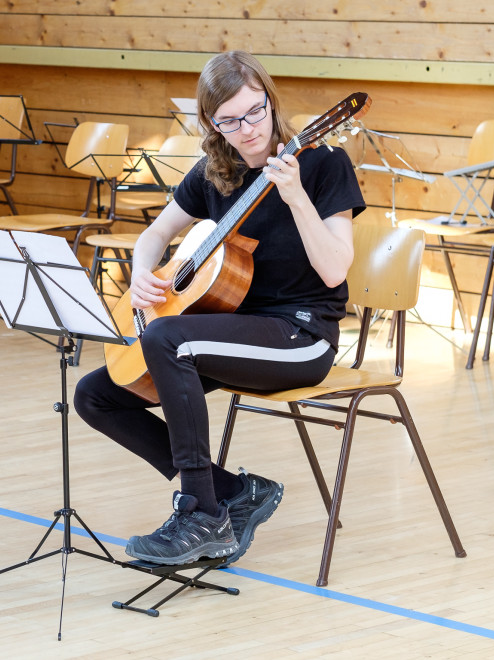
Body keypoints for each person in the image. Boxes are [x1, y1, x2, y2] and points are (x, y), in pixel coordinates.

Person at [74, 51, 365, 566]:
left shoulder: (322, 165)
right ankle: (236, 492)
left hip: (301, 337)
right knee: (96, 395)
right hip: (234, 332)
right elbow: (155, 234)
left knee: (168, 338)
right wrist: (144, 272)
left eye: (255, 112)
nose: (248, 129)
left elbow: (335, 271)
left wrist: (295, 196)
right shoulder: (215, 173)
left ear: (271, 103)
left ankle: (201, 514)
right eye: (230, 120)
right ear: (211, 123)